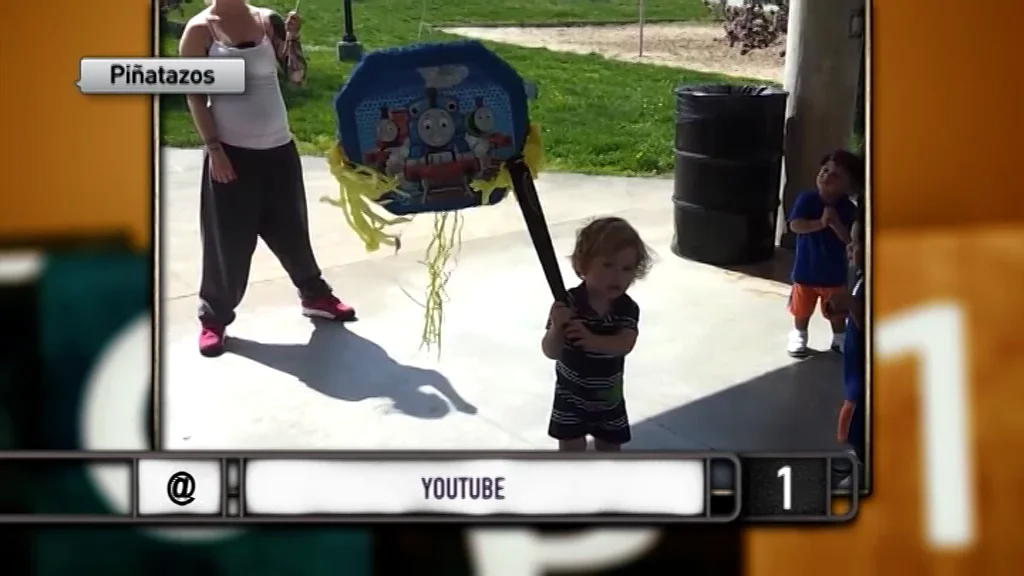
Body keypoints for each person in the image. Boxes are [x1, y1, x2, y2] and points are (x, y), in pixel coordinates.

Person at [179, 0, 355, 358]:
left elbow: (297, 78)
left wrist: (291, 40)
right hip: (231, 152)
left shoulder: (267, 19)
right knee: (227, 241)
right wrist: (214, 149)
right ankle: (214, 319)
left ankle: (315, 296)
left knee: (292, 229)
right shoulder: (199, 31)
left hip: (278, 147)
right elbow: (194, 97)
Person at [541, 217, 652, 452]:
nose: (618, 276)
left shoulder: (626, 308)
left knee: (610, 448)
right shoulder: (567, 303)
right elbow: (551, 352)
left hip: (608, 399)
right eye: (608, 265)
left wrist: (591, 340)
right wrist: (557, 328)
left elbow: (625, 344)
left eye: (627, 269)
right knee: (570, 449)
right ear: (583, 265)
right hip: (569, 397)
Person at [785, 150, 863, 357]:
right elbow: (795, 225)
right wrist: (820, 223)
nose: (827, 176)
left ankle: (839, 338)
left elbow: (850, 240)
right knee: (801, 308)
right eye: (825, 170)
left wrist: (835, 223)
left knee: (836, 311)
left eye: (836, 175)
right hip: (806, 270)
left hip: (833, 274)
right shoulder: (807, 199)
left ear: (848, 184)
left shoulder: (847, 208)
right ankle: (799, 333)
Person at [835, 205, 866, 486]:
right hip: (854, 366)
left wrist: (851, 305)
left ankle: (864, 466)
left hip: (864, 375)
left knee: (859, 421)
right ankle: (858, 458)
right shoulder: (861, 279)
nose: (849, 248)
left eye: (856, 244)